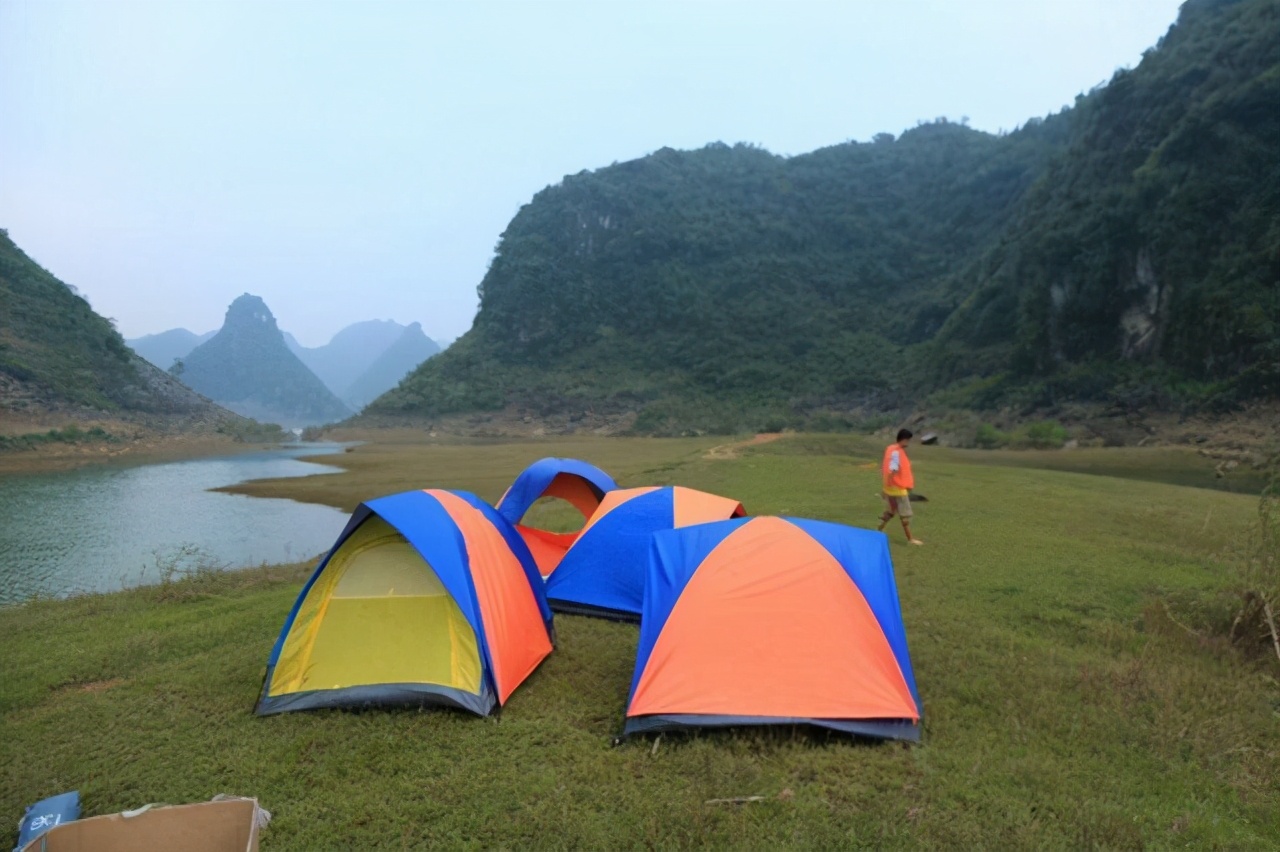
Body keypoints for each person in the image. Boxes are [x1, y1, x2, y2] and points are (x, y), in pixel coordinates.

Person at [878, 428, 923, 545]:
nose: (908, 443)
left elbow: (884, 468)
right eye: (908, 440)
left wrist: (885, 486)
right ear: (904, 439)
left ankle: (879, 530)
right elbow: (893, 469)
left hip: (890, 488)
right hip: (897, 488)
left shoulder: (890, 449)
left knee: (891, 511)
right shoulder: (897, 452)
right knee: (905, 514)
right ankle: (910, 539)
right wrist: (887, 484)